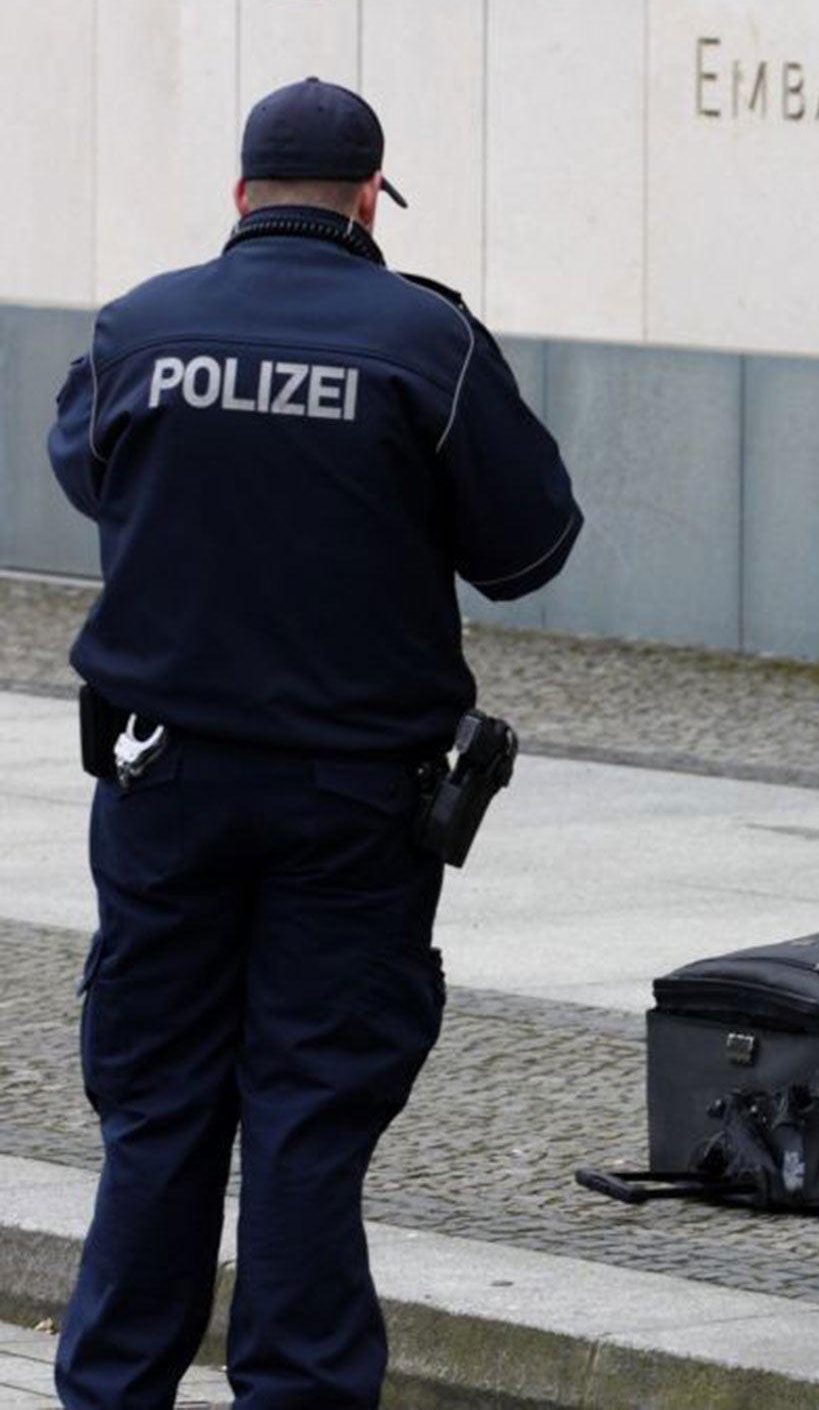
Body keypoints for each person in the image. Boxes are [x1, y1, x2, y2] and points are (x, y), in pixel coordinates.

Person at [46, 77, 581, 1408]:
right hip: (355, 804)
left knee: (157, 1112)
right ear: (367, 197)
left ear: (240, 195)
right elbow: (530, 547)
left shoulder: (139, 328)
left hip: (164, 781)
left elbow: (88, 473)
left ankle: (113, 1391)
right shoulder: (424, 341)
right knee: (307, 1116)